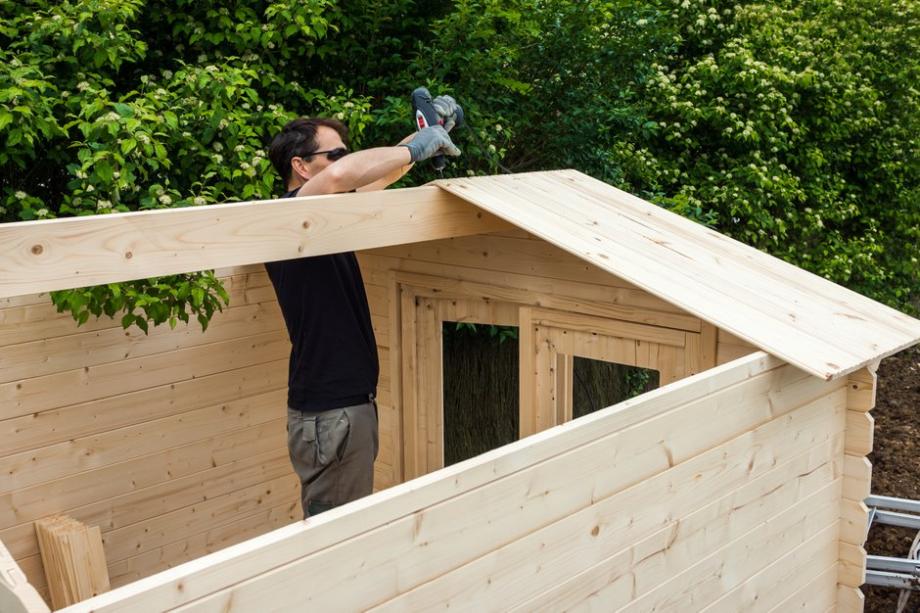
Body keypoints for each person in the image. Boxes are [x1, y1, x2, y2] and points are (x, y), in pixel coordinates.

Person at [265, 107, 461, 518]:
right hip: (329, 413)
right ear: (300, 167)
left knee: (343, 527)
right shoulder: (286, 215)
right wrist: (417, 151)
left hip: (343, 409)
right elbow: (342, 175)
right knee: (335, 539)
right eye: (333, 154)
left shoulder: (329, 213)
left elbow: (378, 174)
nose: (343, 162)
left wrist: (426, 135)